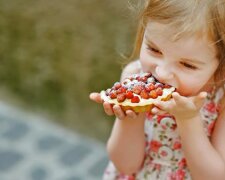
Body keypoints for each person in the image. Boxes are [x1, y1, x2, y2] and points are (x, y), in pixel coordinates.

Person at [90, 0, 225, 179]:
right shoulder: (133, 77)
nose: (162, 73)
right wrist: (130, 117)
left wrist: (188, 119)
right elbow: (125, 165)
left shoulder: (221, 100)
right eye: (154, 49)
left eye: (187, 65)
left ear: (221, 68)